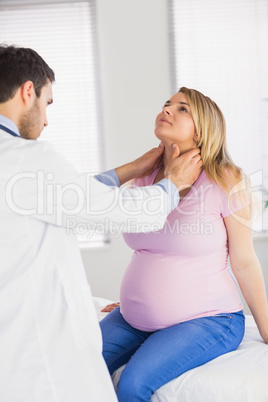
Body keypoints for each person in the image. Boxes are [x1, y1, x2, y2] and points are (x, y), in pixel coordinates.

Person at [0, 46, 202, 402]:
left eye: (181, 107)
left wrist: (133, 169)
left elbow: (65, 196)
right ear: (27, 92)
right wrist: (172, 184)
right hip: (33, 361)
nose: (46, 120)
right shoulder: (27, 159)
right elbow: (112, 210)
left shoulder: (19, 164)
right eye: (47, 103)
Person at [100, 87, 268, 401]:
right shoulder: (144, 178)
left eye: (183, 109)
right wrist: (137, 301)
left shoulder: (226, 180)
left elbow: (244, 260)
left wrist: (266, 327)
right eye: (167, 104)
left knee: (132, 385)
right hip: (132, 318)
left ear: (203, 131)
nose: (168, 109)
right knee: (75, 365)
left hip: (208, 320)